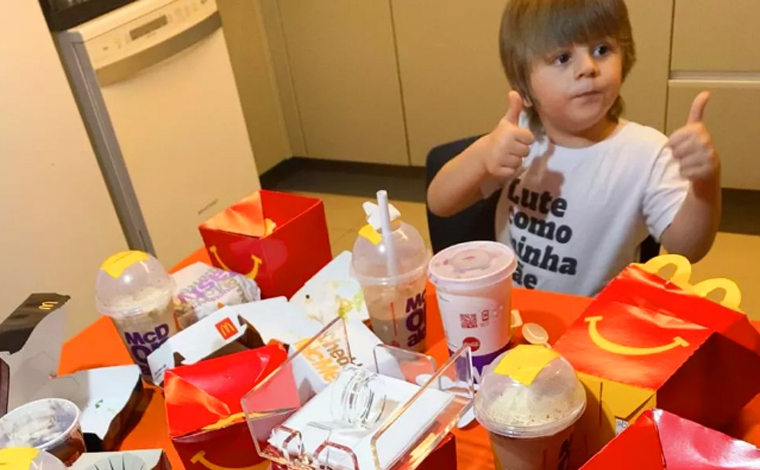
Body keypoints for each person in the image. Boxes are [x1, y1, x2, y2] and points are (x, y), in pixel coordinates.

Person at [427, 0, 721, 296]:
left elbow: (688, 249)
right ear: (524, 86)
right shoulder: (522, 136)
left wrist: (704, 183)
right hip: (512, 311)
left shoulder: (648, 154)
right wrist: (483, 154)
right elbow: (440, 203)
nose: (588, 68)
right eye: (563, 57)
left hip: (594, 324)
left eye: (602, 50)